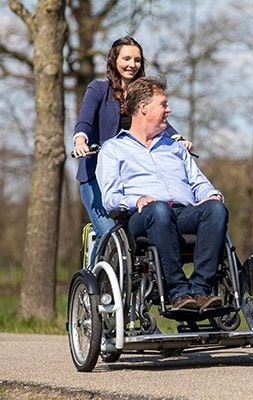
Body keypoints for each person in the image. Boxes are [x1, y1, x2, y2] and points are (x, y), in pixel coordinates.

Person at [97, 75, 227, 311]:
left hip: (182, 214)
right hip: (142, 217)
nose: (169, 109)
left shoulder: (175, 147)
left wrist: (211, 194)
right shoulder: (113, 149)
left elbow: (198, 182)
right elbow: (110, 198)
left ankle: (200, 291)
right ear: (143, 108)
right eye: (163, 104)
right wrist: (136, 200)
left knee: (216, 209)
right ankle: (177, 293)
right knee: (157, 209)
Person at [72, 36, 192, 265]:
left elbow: (156, 118)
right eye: (126, 58)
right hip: (97, 176)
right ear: (114, 60)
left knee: (134, 237)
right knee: (110, 232)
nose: (131, 64)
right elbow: (85, 121)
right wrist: (80, 141)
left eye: (137, 59)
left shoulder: (144, 94)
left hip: (129, 177)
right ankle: (94, 286)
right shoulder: (99, 89)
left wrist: (177, 138)